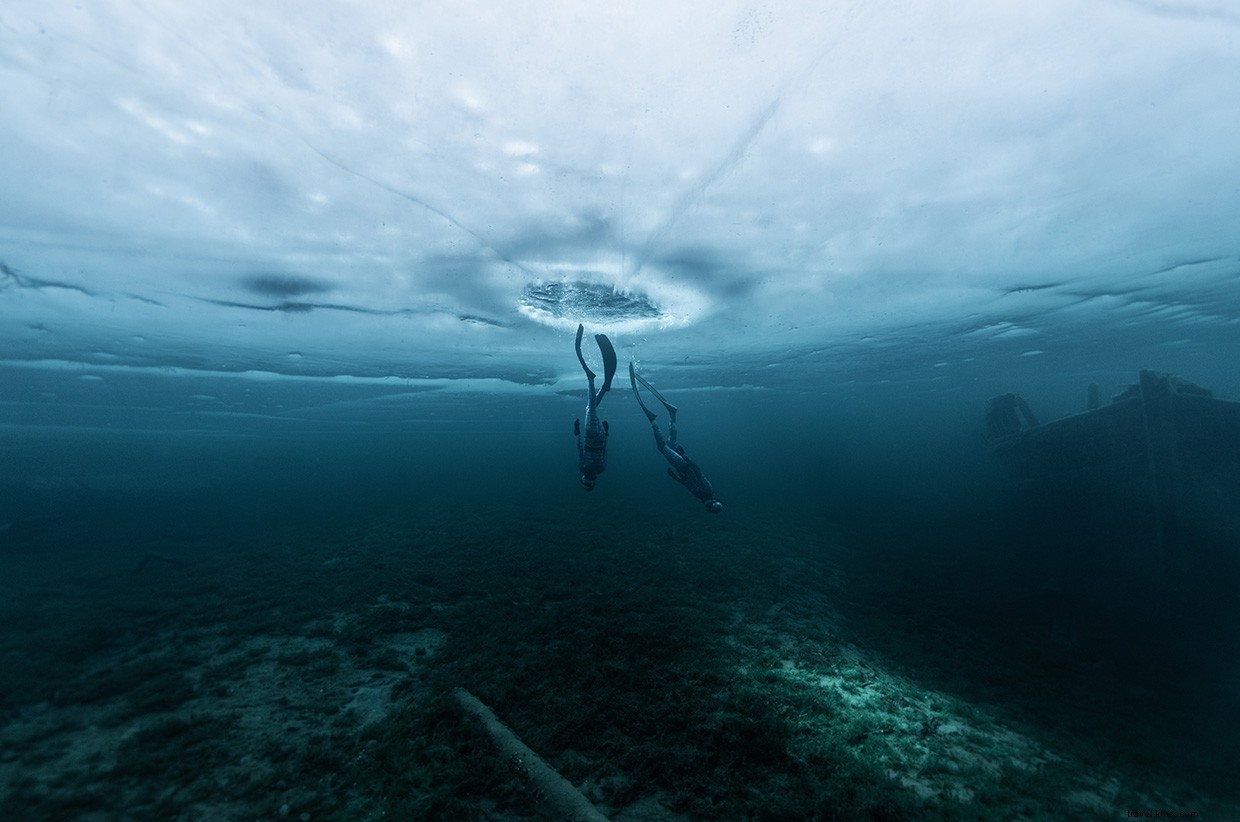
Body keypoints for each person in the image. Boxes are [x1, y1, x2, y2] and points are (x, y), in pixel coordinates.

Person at [629, 362, 724, 513]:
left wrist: (675, 478)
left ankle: (672, 414)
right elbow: (698, 472)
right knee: (662, 447)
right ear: (715, 501)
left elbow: (688, 483)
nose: (708, 505)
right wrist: (685, 457)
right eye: (711, 505)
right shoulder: (707, 491)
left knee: (670, 442)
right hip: (683, 465)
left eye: (709, 507)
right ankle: (653, 420)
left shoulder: (702, 495)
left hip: (680, 468)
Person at [573, 324, 617, 490]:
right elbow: (579, 450)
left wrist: (606, 433)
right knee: (591, 408)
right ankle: (590, 378)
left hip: (598, 437)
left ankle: (604, 388)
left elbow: (605, 450)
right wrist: (576, 431)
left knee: (590, 409)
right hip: (591, 435)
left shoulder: (602, 469)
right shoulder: (583, 468)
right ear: (585, 479)